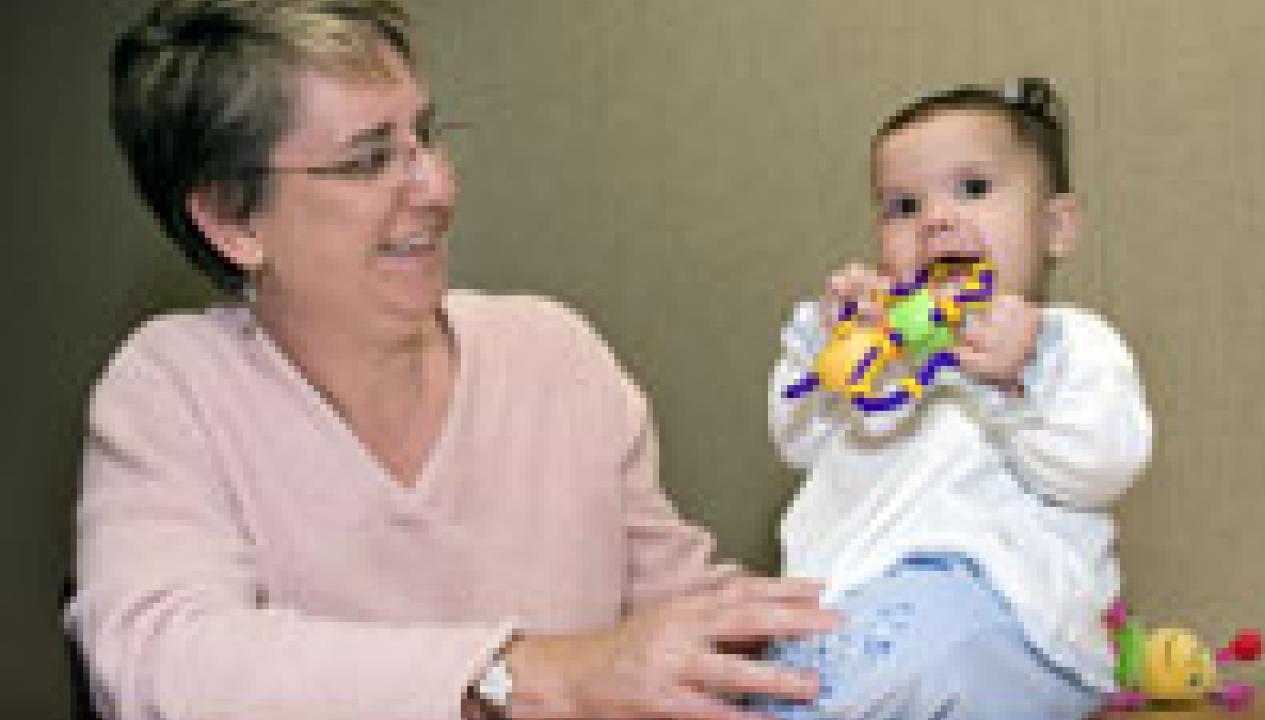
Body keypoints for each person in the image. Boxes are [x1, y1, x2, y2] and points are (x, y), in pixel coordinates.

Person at [65, 1, 838, 718]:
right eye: (370, 160)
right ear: (233, 221)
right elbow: (160, 661)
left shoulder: (554, 353)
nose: (437, 185)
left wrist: (915, 492)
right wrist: (534, 673)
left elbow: (682, 615)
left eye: (424, 137)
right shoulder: (172, 387)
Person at [756, 79, 1153, 719]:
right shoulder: (886, 352)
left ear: (1056, 227)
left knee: (930, 658)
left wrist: (1024, 380)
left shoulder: (1071, 343)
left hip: (1013, 621)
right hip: (847, 612)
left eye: (973, 189)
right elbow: (796, 438)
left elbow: (1103, 466)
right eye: (904, 205)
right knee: (766, 672)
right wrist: (826, 349)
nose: (935, 219)